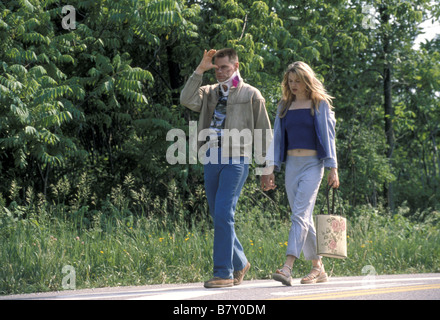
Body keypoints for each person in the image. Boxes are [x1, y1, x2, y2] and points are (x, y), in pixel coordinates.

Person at [180, 48, 272, 288]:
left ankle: (224, 272)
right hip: (210, 156)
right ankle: (240, 262)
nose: (220, 72)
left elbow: (264, 133)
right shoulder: (208, 92)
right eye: (217, 68)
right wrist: (200, 69)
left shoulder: (252, 94)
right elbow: (186, 99)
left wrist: (266, 168)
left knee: (224, 213)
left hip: (237, 158)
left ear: (236, 66)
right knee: (217, 214)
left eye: (225, 68)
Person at [261, 61, 339, 285]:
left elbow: (329, 136)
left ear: (307, 80)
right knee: (302, 217)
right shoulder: (284, 106)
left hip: (313, 164)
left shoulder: (319, 103)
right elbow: (276, 139)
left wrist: (332, 168)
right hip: (292, 166)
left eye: (297, 81)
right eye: (290, 81)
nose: (293, 85)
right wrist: (270, 169)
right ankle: (318, 268)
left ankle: (287, 267)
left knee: (299, 215)